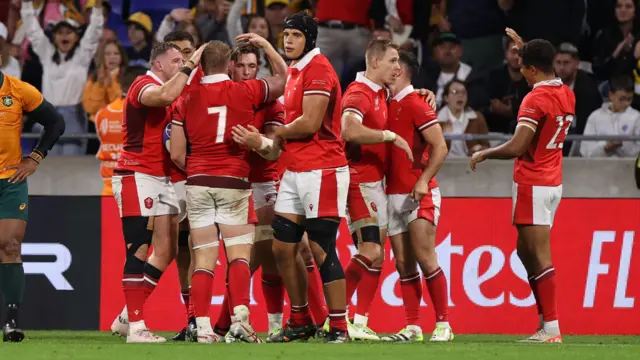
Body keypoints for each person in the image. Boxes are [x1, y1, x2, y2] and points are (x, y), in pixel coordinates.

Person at [234, 12, 349, 343]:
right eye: (285, 35)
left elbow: (311, 122)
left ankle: (339, 326)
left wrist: (277, 134)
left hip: (323, 169)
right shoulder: (298, 71)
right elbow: (286, 82)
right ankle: (300, 319)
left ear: (309, 39)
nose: (288, 40)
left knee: (320, 246)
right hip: (295, 170)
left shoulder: (320, 70)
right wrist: (267, 46)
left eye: (295, 35)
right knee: (283, 247)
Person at [170, 35, 287, 344]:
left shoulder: (186, 97)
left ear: (199, 63)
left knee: (204, 259)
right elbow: (282, 80)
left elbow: (177, 154)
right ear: (231, 64)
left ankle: (204, 328)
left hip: (196, 183)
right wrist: (266, 46)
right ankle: (241, 322)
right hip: (234, 182)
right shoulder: (246, 91)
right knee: (238, 259)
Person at [470, 28, 575, 343]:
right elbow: (539, 62)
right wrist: (525, 48)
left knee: (538, 255)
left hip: (533, 182)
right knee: (524, 251)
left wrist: (485, 152)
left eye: (522, 67)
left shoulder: (535, 98)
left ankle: (551, 328)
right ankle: (546, 323)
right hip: (552, 181)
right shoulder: (565, 92)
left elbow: (517, 146)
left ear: (531, 69)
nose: (521, 74)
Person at [111, 41, 205, 343]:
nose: (181, 64)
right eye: (176, 60)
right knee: (138, 248)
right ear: (159, 65)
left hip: (160, 178)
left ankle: (127, 317)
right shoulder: (144, 84)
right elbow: (164, 95)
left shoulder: (172, 93)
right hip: (136, 175)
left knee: (166, 250)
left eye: (184, 60)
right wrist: (191, 68)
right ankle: (137, 328)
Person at [381, 49, 452, 343]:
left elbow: (441, 146)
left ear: (400, 70)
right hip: (391, 194)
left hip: (417, 193)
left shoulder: (417, 104)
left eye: (393, 63)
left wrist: (424, 179)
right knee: (402, 263)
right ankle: (412, 326)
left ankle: (444, 325)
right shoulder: (385, 102)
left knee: (425, 257)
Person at [339, 39, 409, 341]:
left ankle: (360, 319)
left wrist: (422, 93)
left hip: (373, 182)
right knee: (371, 250)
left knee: (377, 256)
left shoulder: (381, 93)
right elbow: (348, 130)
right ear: (375, 62)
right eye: (393, 60)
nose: (398, 66)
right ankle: (337, 317)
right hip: (358, 182)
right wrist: (389, 136)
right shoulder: (358, 93)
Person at [0, 59, 65, 342]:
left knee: (10, 245)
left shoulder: (18, 90)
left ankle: (11, 321)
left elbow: (55, 122)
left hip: (9, 181)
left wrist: (36, 157)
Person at [20, 0, 104, 156]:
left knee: (72, 166)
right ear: (54, 37)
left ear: (77, 37)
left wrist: (98, 9)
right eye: (60, 33)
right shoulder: (47, 54)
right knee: (50, 165)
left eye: (69, 32)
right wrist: (26, 3)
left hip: (74, 117)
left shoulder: (82, 56)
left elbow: (94, 32)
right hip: (48, 115)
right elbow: (32, 30)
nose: (64, 36)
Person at [94, 66, 148, 197]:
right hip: (137, 186)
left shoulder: (102, 114)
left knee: (110, 218)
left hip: (109, 187)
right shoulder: (145, 113)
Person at [580, 75, 640, 157]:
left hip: (627, 167)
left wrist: (624, 145)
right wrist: (606, 147)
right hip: (599, 167)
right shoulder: (595, 117)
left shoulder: (636, 117)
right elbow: (585, 151)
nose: (627, 103)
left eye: (630, 99)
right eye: (622, 99)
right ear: (611, 95)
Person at [438, 79, 490, 157]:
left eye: (463, 92)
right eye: (455, 92)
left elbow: (487, 146)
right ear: (446, 98)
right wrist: (446, 137)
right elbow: (432, 153)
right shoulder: (436, 121)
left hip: (470, 164)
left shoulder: (477, 118)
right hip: (445, 165)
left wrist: (480, 149)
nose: (460, 95)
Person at [83, 39, 127, 122]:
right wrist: (100, 85)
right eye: (107, 54)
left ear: (122, 56)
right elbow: (90, 108)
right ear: (102, 56)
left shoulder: (128, 77)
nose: (112, 57)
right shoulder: (93, 78)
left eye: (116, 53)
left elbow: (123, 106)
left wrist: (111, 85)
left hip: (119, 123)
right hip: (96, 123)